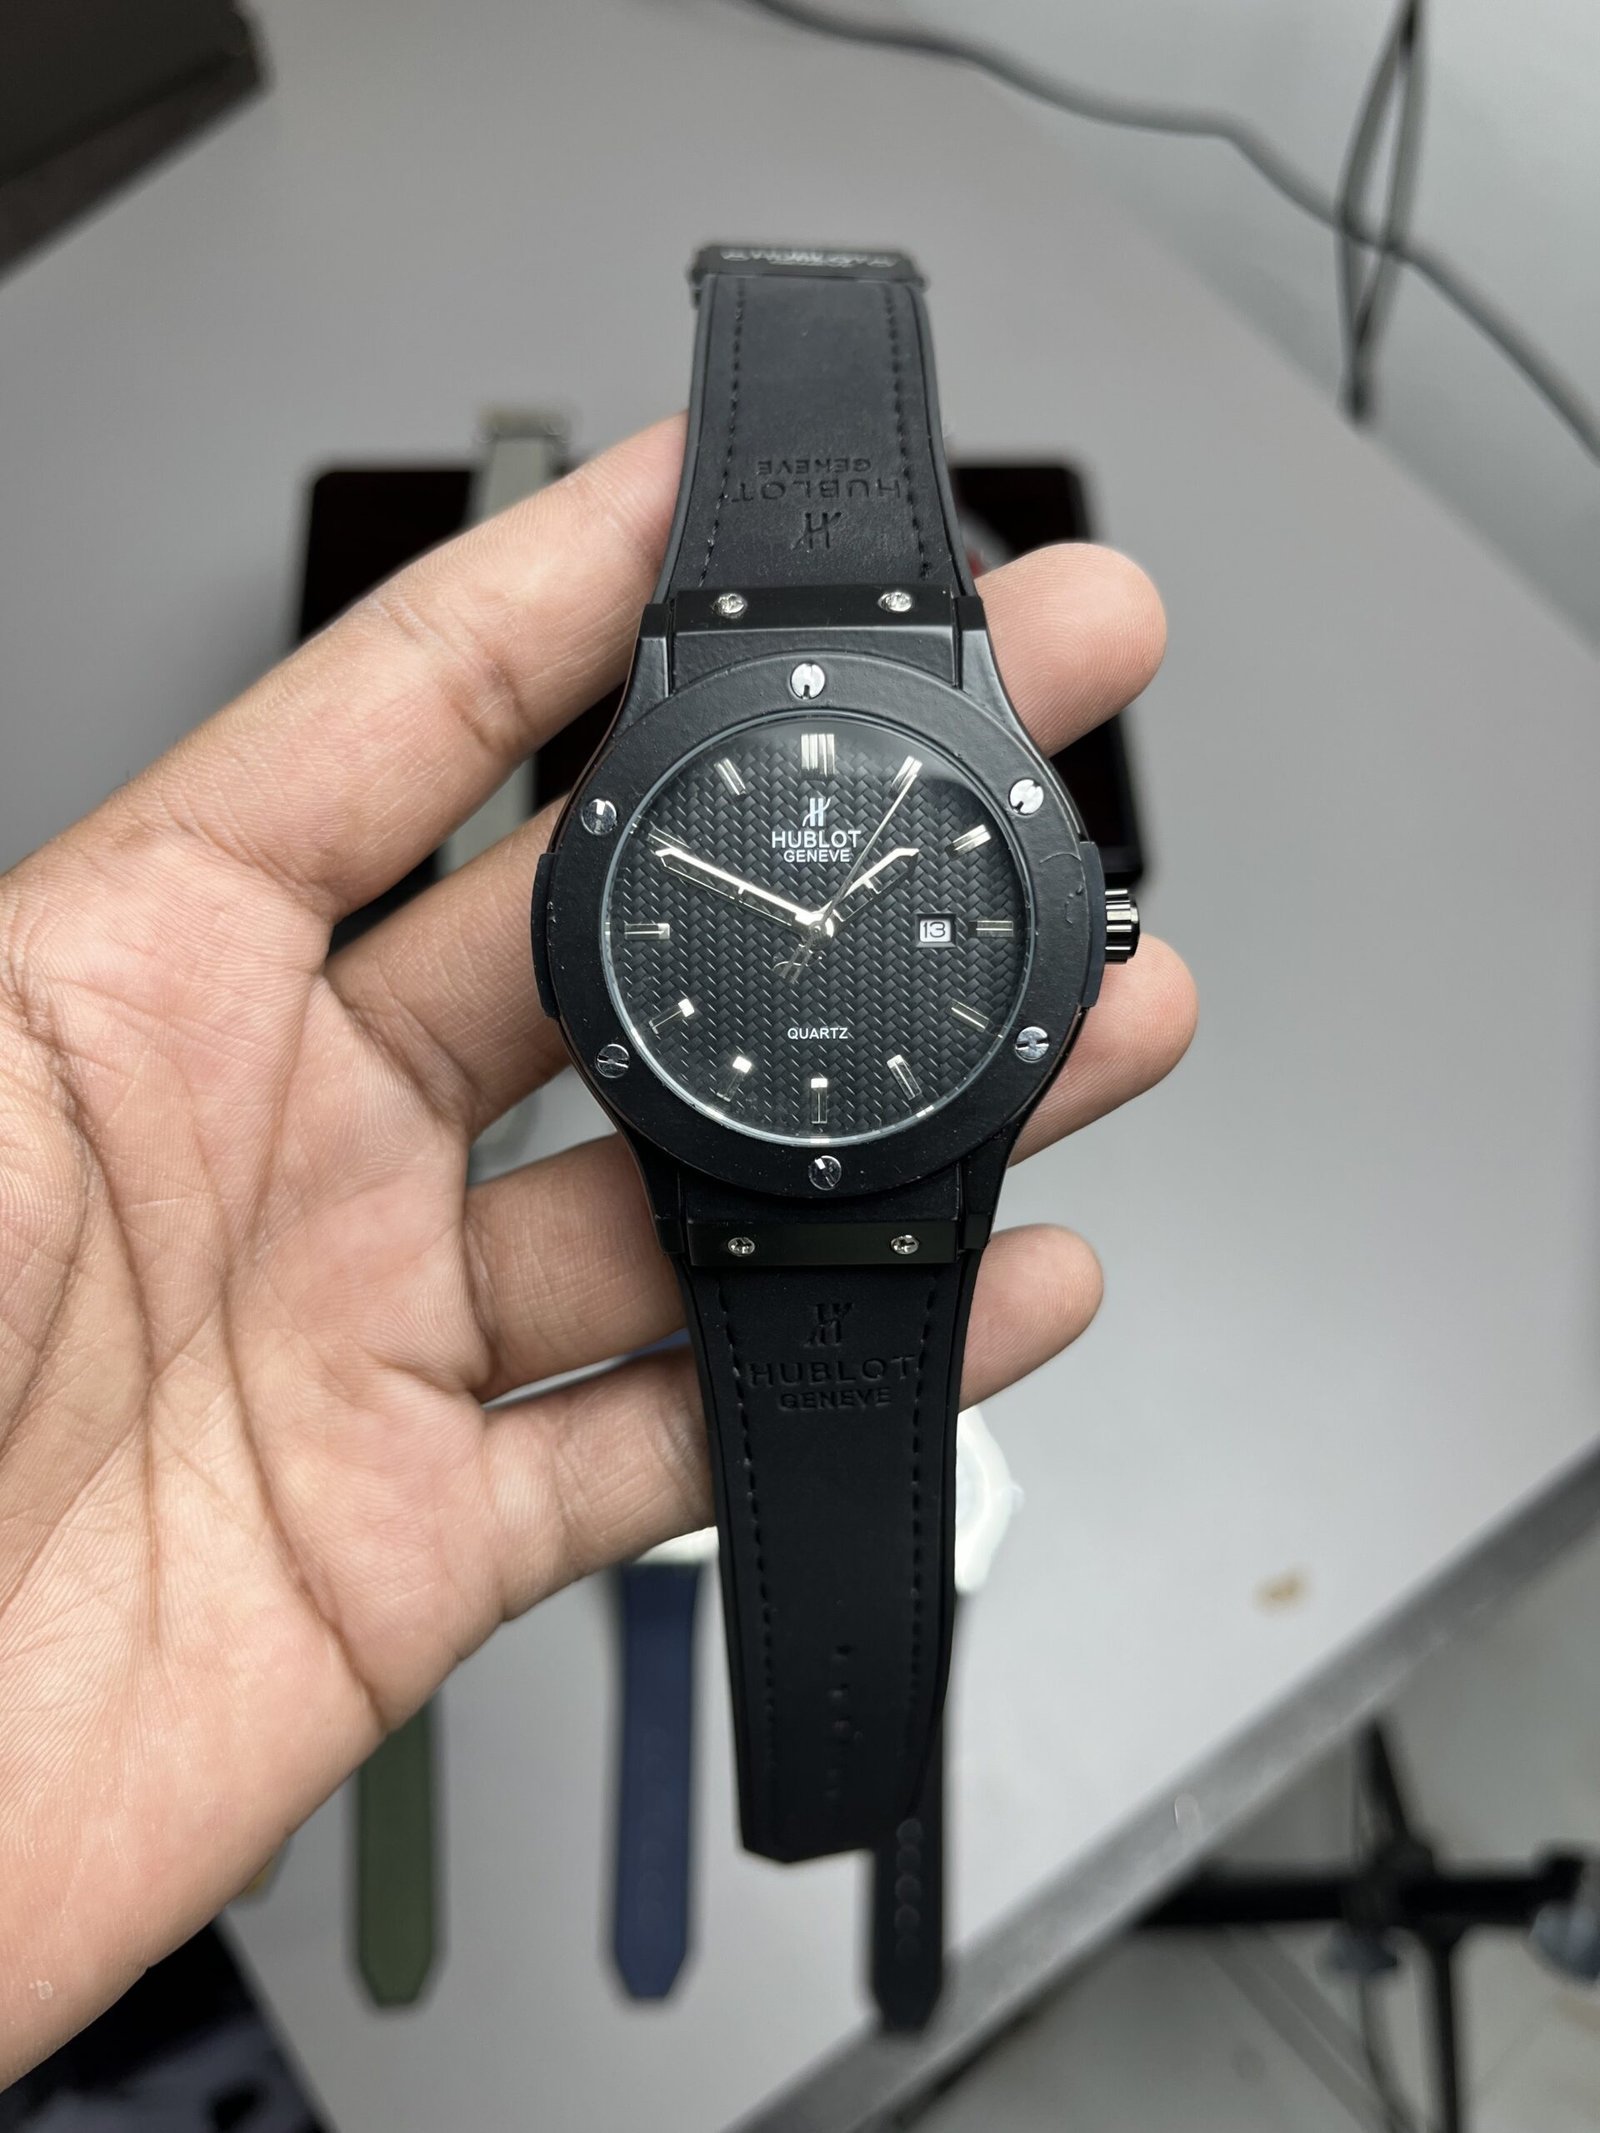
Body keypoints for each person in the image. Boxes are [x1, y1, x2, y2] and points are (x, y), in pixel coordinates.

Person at [0, 416, 1196, 2076]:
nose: (814, 927)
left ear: (1078, 931)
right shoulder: (660, 896)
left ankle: (840, 1793)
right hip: (759, 1154)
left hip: (886, 1152)